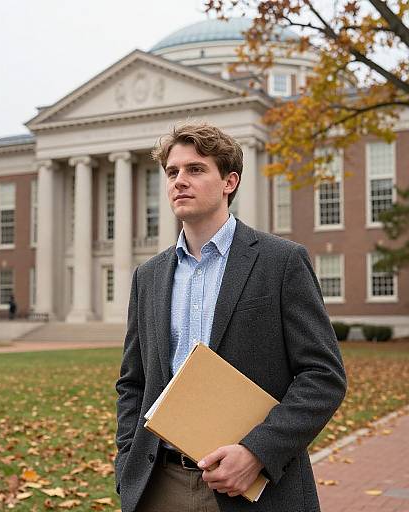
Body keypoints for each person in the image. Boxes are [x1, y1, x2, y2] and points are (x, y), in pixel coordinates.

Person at [115, 122, 347, 512]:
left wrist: (257, 452)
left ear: (229, 181)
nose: (179, 181)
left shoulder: (281, 261)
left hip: (254, 488)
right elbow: (133, 381)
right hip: (160, 484)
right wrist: (127, 461)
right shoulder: (149, 276)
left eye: (195, 169)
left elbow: (323, 376)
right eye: (172, 172)